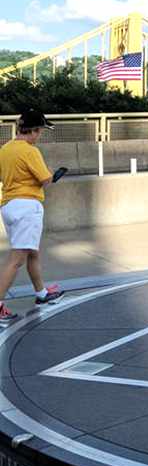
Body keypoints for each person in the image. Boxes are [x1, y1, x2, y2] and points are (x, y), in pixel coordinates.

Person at [0, 109, 66, 325]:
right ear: (34, 130)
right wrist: (51, 173)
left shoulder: (6, 149)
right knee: (16, 259)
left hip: (9, 205)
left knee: (32, 252)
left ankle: (42, 293)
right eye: (40, 131)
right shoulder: (30, 151)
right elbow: (46, 179)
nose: (40, 136)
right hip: (27, 206)